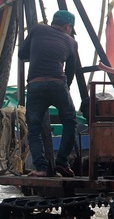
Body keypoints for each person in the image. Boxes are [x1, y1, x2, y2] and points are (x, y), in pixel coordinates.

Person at [19, 10, 78, 177]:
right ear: (67, 26)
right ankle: (62, 163)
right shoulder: (72, 42)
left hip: (35, 84)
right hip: (58, 83)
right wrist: (63, 89)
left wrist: (38, 51)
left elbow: (22, 54)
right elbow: (71, 71)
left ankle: (41, 168)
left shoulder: (37, 29)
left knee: (34, 128)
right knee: (70, 121)